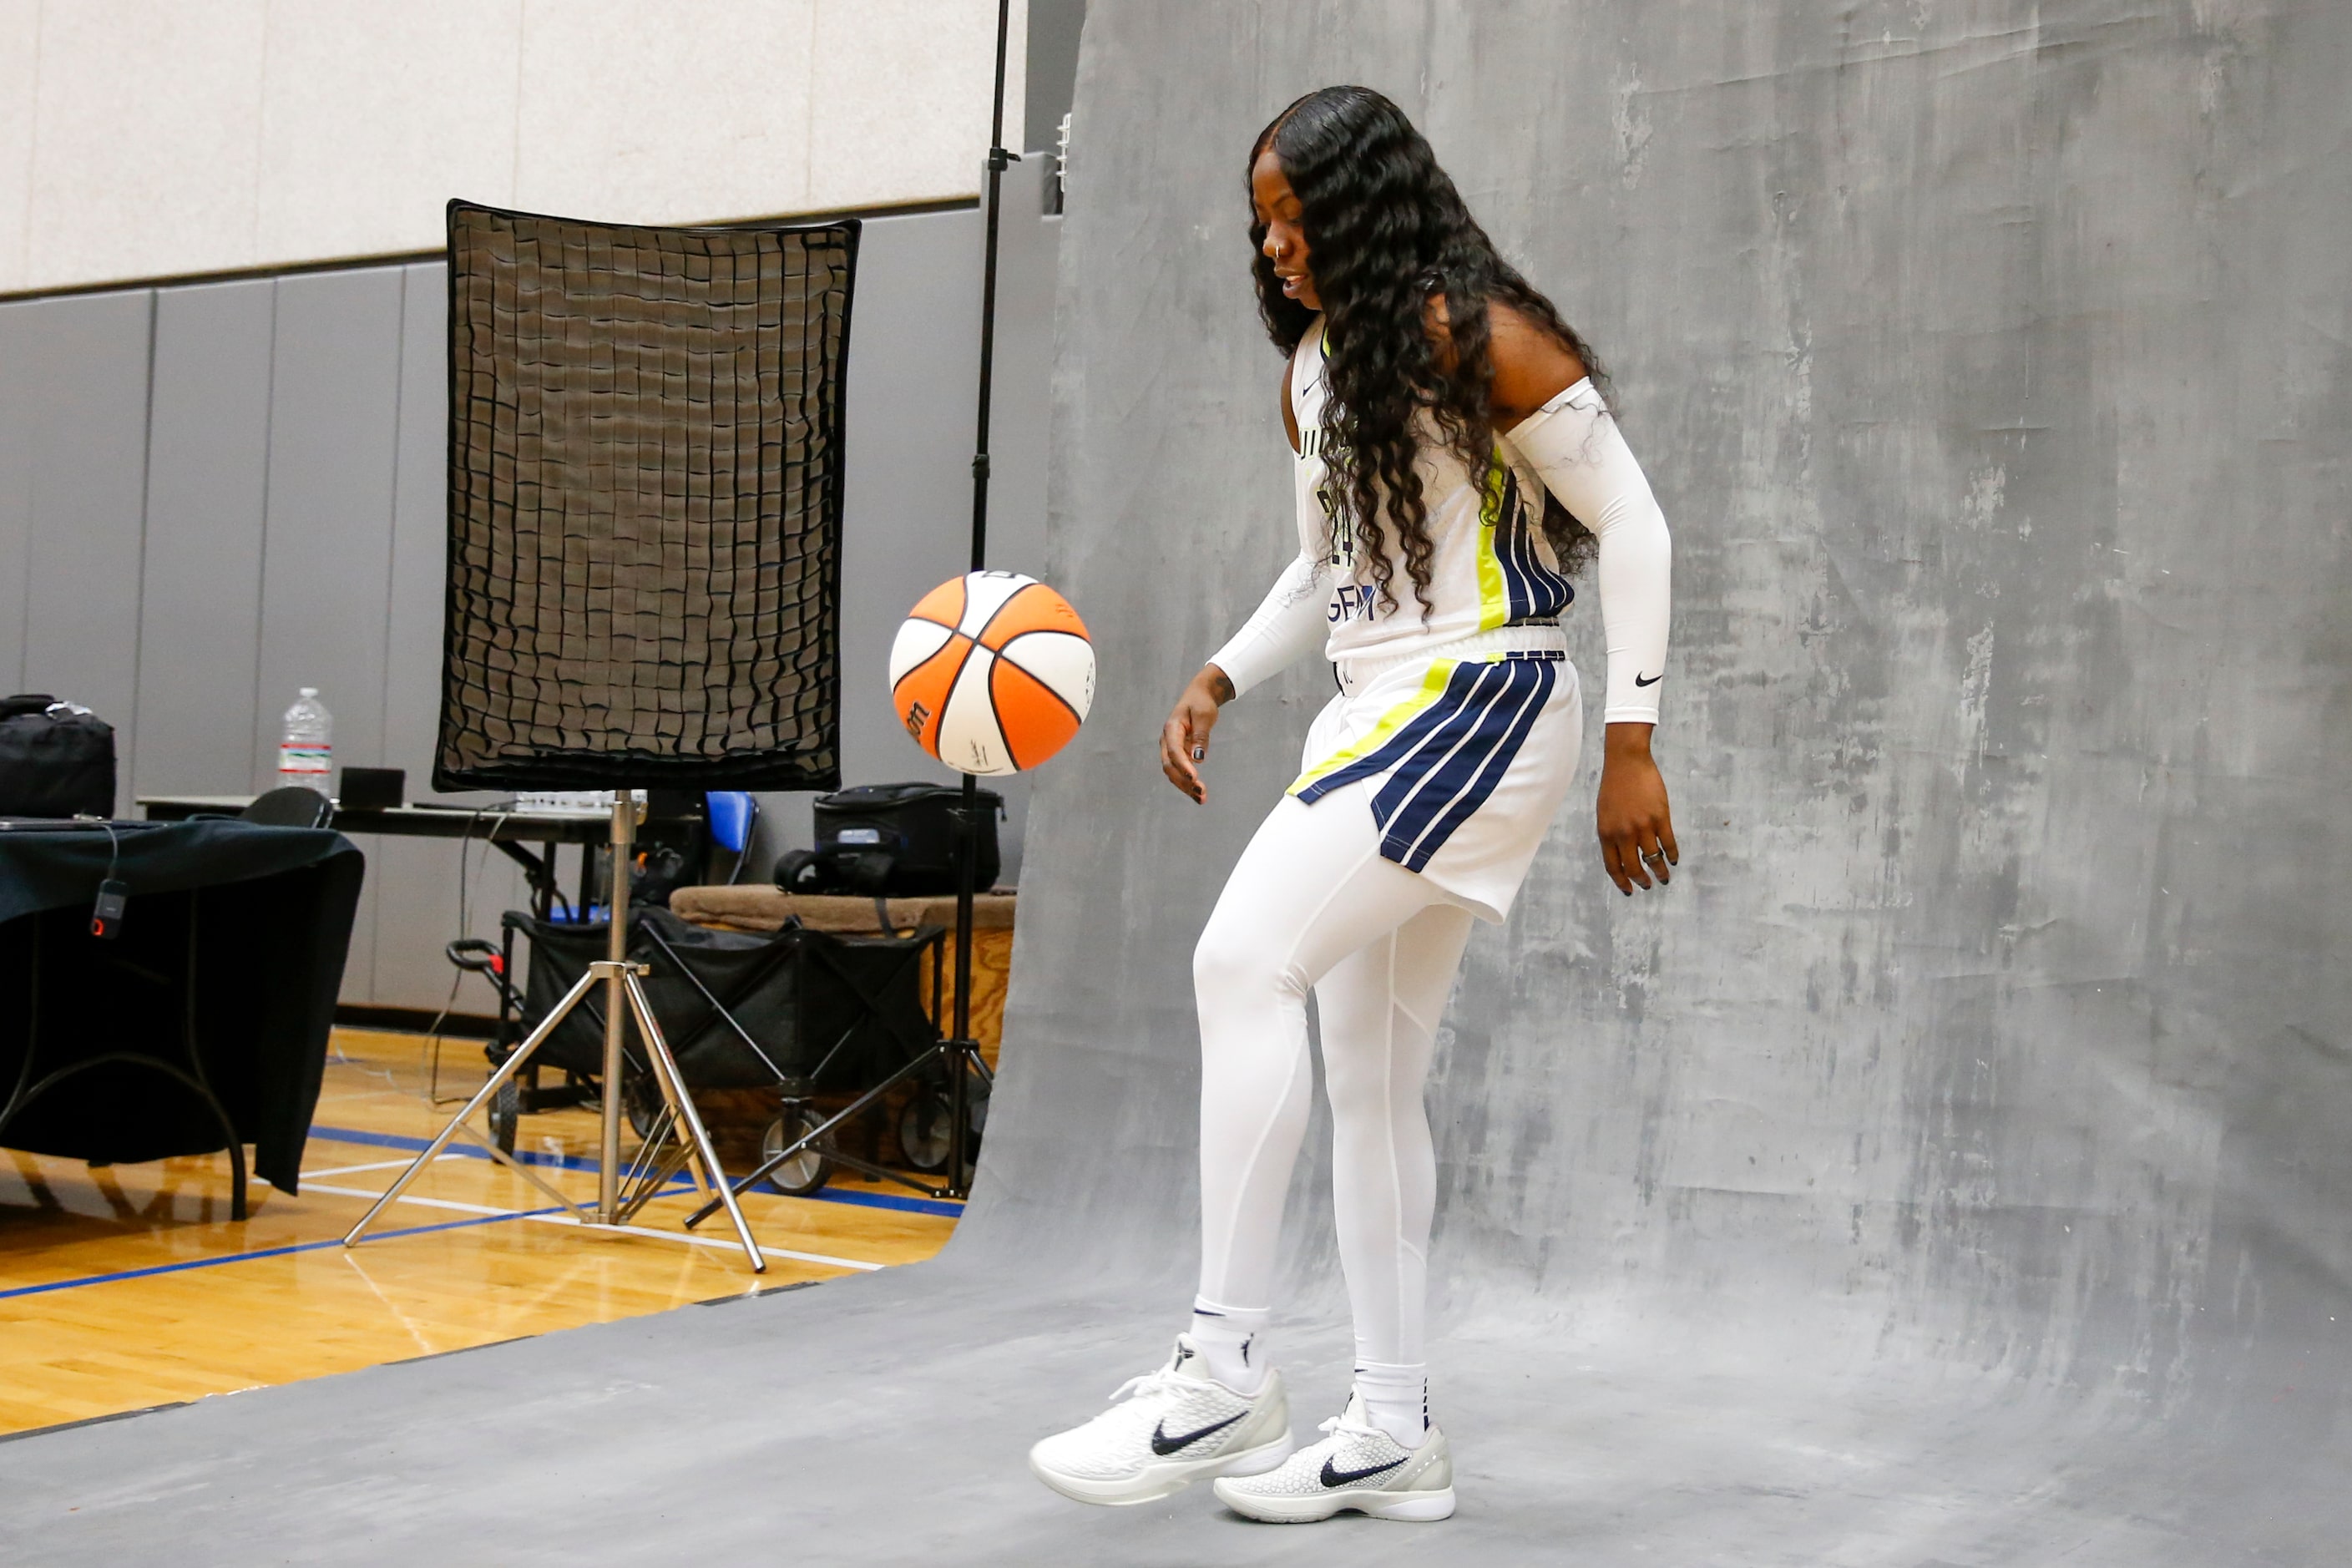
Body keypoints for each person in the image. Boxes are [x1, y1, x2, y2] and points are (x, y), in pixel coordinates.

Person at [1029, 84, 1677, 1525]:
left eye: (1296, 218)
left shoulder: (1481, 338)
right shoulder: (1316, 369)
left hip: (1486, 695)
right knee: (1371, 1080)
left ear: (1369, 211)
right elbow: (1327, 569)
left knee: (1237, 958)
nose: (1272, 248)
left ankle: (1218, 1368)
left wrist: (1633, 741)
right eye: (1260, 223)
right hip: (1376, 704)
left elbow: (1632, 518)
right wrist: (1219, 673)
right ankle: (1391, 1427)